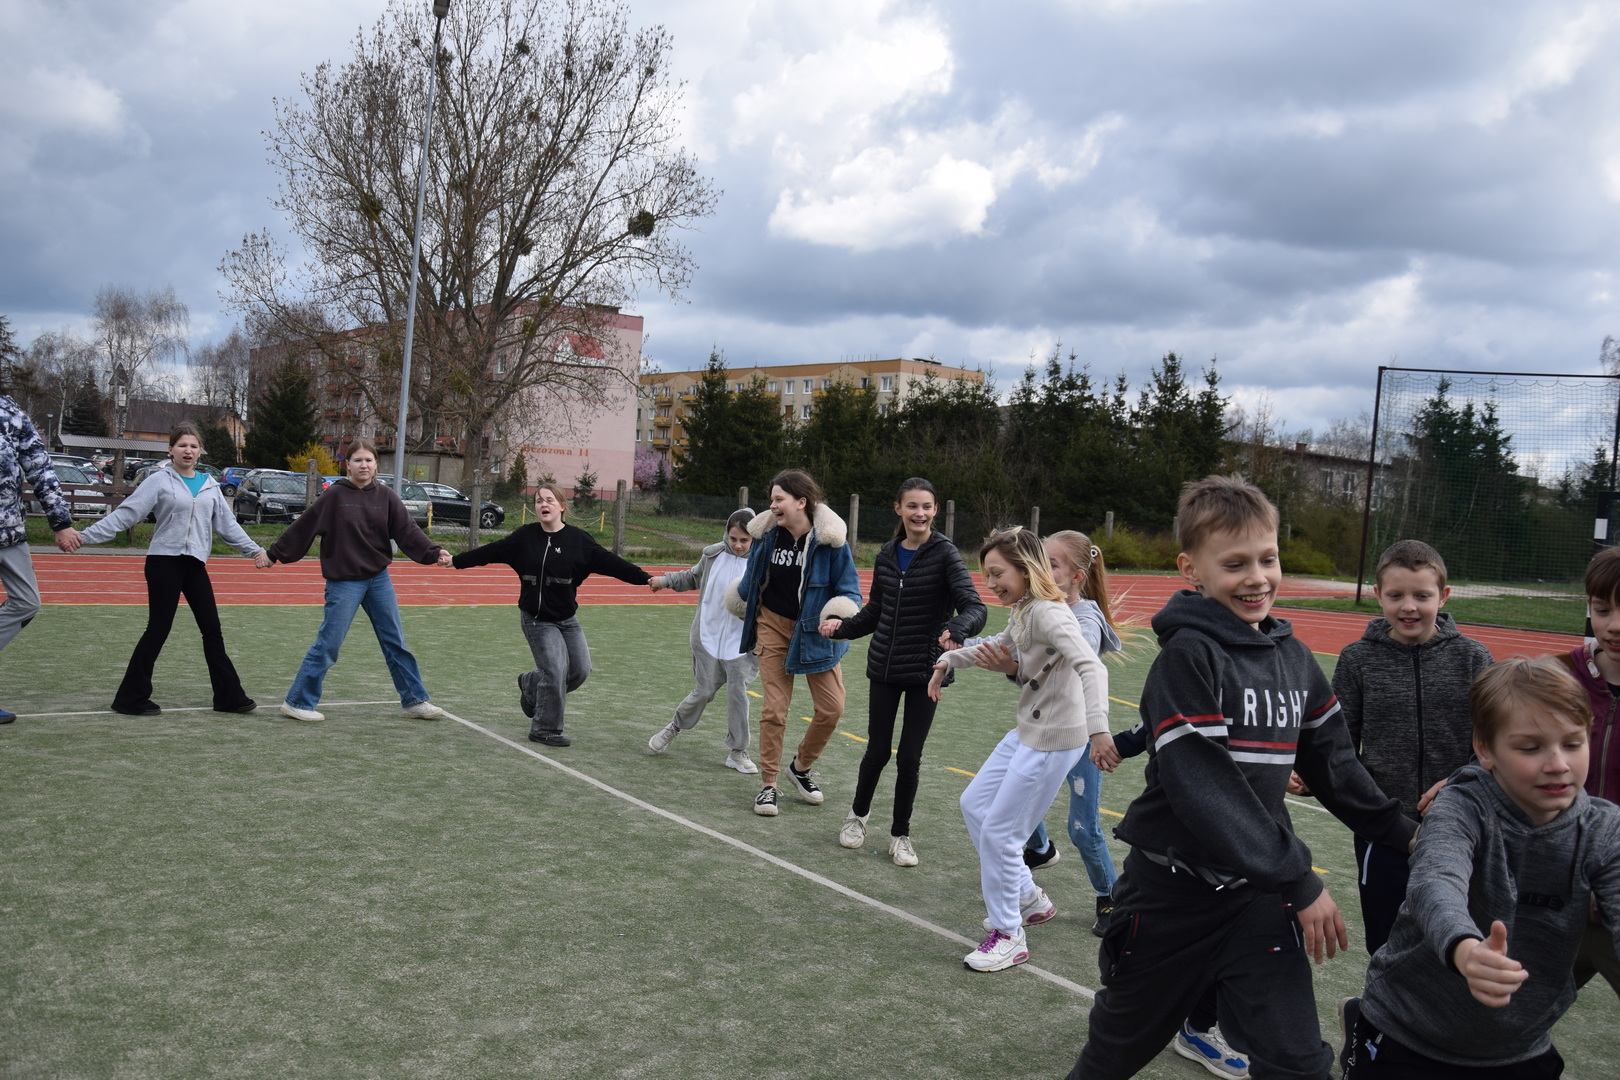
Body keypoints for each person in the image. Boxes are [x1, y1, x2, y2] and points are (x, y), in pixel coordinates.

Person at [1065, 474, 1416, 1080]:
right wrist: (1300, 878)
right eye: (1234, 564)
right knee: (1109, 1059)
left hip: (1256, 902)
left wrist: (1405, 833)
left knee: (1300, 1064)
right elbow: (1205, 787)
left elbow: (1334, 764)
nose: (1257, 577)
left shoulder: (1294, 658)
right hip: (1170, 897)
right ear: (1190, 569)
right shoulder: (1187, 658)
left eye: (1268, 559)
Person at [1340, 656, 1620, 1079]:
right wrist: (1465, 950)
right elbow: (1435, 881)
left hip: (1520, 1044)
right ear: (1485, 748)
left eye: (1573, 743)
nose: (1558, 763)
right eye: (1531, 747)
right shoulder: (1461, 805)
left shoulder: (1603, 828)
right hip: (1408, 1027)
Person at [929, 526, 1113, 973]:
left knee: (1002, 835)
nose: (990, 585)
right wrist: (948, 660)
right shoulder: (1026, 610)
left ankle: (1009, 934)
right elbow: (1000, 646)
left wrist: (1100, 731)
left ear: (1025, 569)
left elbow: (1091, 667)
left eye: (997, 574)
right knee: (974, 804)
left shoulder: (1051, 614)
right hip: (1031, 729)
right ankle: (1029, 898)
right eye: (986, 575)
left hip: (1056, 739)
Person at [1332, 539, 1493, 954]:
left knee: (1451, 938)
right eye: (1396, 595)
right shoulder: (1357, 660)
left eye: (1422, 596)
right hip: (1380, 827)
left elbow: (1494, 744)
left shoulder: (1473, 659)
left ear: (1443, 595)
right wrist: (1317, 777)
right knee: (1386, 943)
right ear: (1377, 596)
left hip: (1458, 828)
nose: (1409, 606)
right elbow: (1339, 744)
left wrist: (1459, 784)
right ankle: (1378, 1018)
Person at [819, 477, 986, 867]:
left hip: (927, 671)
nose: (920, 513)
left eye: (927, 506)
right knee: (876, 750)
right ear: (899, 509)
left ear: (935, 510)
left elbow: (975, 607)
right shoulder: (888, 554)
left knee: (909, 757)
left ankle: (901, 835)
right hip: (884, 668)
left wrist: (958, 630)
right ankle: (857, 818)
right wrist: (841, 629)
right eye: (912, 506)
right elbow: (877, 611)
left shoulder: (946, 554)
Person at [73, 422, 270, 715]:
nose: (188, 450)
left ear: (199, 451)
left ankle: (229, 697)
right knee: (158, 629)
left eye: (193, 446)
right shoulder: (158, 481)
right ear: (171, 450)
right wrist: (85, 537)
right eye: (182, 445)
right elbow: (127, 514)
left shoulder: (210, 485)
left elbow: (228, 526)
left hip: (195, 565)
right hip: (163, 562)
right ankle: (130, 699)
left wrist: (254, 550)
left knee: (212, 631)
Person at [449, 482, 650, 747]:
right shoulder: (525, 537)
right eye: (539, 501)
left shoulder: (579, 541)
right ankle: (545, 728)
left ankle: (531, 683)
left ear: (562, 506)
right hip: (536, 619)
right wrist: (456, 560)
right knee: (555, 671)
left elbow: (613, 563)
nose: (544, 504)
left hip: (567, 619)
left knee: (579, 670)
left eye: (550, 500)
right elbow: (491, 551)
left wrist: (646, 578)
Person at [267, 439, 450, 723]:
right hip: (344, 582)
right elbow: (302, 527)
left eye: (369, 460)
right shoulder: (334, 496)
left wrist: (433, 552)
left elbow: (407, 531)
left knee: (395, 642)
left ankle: (414, 700)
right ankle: (298, 701)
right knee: (329, 644)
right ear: (348, 465)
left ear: (376, 464)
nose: (363, 465)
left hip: (378, 580)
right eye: (357, 460)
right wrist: (273, 554)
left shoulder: (386, 497)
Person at [724, 469, 860, 817]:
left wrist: (838, 615)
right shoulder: (768, 537)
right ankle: (768, 785)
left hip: (815, 632)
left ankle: (800, 768)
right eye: (772, 499)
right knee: (775, 709)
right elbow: (752, 581)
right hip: (772, 626)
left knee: (833, 709)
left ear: (802, 502)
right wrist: (742, 606)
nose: (772, 506)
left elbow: (849, 589)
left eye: (779, 499)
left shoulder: (832, 544)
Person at [646, 508, 761, 772]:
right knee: (704, 691)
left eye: (745, 540)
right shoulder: (712, 554)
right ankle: (674, 727)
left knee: (738, 692)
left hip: (741, 643)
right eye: (733, 539)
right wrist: (663, 581)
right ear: (726, 535)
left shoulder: (761, 563)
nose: (738, 545)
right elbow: (691, 577)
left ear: (754, 538)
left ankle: (738, 751)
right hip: (707, 638)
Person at [1554, 543, 1620, 1000]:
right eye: (1603, 609)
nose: (1615, 625)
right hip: (1552, 900)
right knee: (1492, 1031)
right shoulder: (1553, 678)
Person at [0, 394, 79, 722]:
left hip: (9, 532)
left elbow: (40, 467)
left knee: (27, 602)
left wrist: (60, 522)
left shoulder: (9, 411)